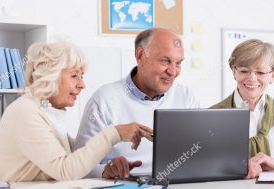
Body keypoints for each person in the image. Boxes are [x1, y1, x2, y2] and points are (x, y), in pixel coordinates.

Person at [0, 41, 152, 182]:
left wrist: (105, 170)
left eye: (81, 76)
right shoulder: (25, 112)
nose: (82, 84)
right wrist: (115, 133)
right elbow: (65, 171)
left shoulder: (46, 112)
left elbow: (72, 160)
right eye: (74, 76)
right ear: (50, 76)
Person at [74, 27, 199, 179]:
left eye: (178, 63)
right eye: (165, 61)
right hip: (124, 188)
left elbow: (199, 153)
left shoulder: (185, 96)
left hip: (178, 186)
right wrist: (105, 170)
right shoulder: (105, 99)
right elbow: (78, 165)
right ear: (140, 56)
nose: (173, 72)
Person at [211, 39, 274, 179]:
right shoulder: (212, 115)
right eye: (244, 71)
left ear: (273, 75)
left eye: (260, 72)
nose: (251, 78)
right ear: (234, 72)